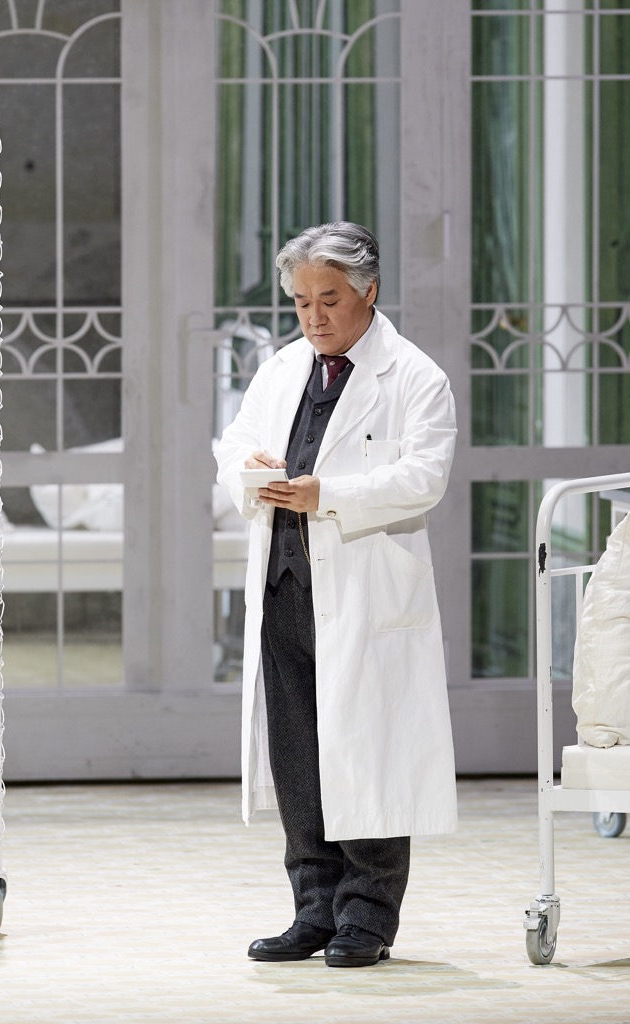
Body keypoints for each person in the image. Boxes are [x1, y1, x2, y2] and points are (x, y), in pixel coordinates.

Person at [214, 221, 457, 969]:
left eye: (329, 299)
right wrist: (250, 468)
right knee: (299, 759)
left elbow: (425, 478)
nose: (314, 317)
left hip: (365, 595)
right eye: (301, 302)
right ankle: (313, 911)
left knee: (367, 755)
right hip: (286, 588)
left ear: (369, 291)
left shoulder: (415, 377)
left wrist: (330, 494)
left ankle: (367, 918)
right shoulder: (283, 369)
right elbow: (232, 443)